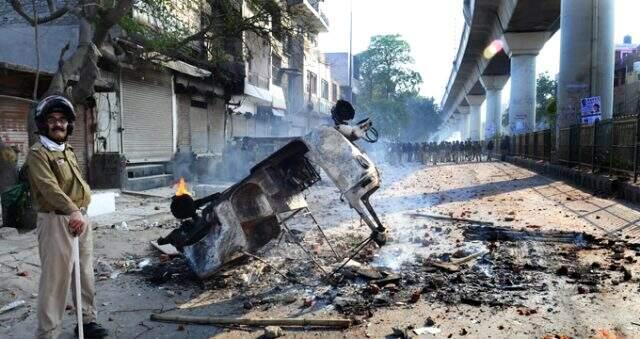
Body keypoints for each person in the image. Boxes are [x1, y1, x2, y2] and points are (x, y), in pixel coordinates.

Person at [26, 95, 108, 339]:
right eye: (51, 120)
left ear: (69, 124)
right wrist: (72, 210)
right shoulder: (38, 153)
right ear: (43, 124)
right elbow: (49, 188)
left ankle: (87, 321)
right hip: (56, 221)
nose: (58, 124)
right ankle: (48, 333)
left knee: (83, 273)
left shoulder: (67, 150)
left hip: (79, 219)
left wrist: (79, 211)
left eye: (62, 120)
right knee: (55, 280)